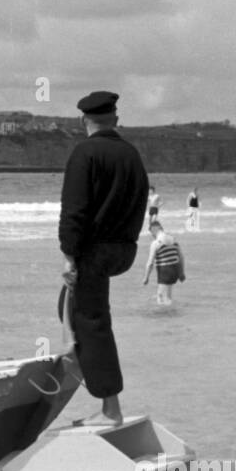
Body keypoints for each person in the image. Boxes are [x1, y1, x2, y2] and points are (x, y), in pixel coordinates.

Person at [58, 90, 149, 428]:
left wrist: (70, 256)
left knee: (91, 321)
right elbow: (140, 201)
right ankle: (86, 373)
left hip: (94, 251)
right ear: (116, 120)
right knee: (81, 316)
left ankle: (110, 409)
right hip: (124, 248)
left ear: (84, 120)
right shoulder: (131, 154)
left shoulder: (85, 153)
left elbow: (74, 212)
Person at [142, 220, 185, 304]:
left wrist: (146, 278)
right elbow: (181, 257)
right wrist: (181, 272)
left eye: (152, 233)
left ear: (154, 230)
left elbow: (150, 263)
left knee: (161, 298)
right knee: (168, 297)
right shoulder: (173, 239)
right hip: (175, 270)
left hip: (165, 271)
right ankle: (172, 312)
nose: (152, 236)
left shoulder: (156, 243)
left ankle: (165, 314)